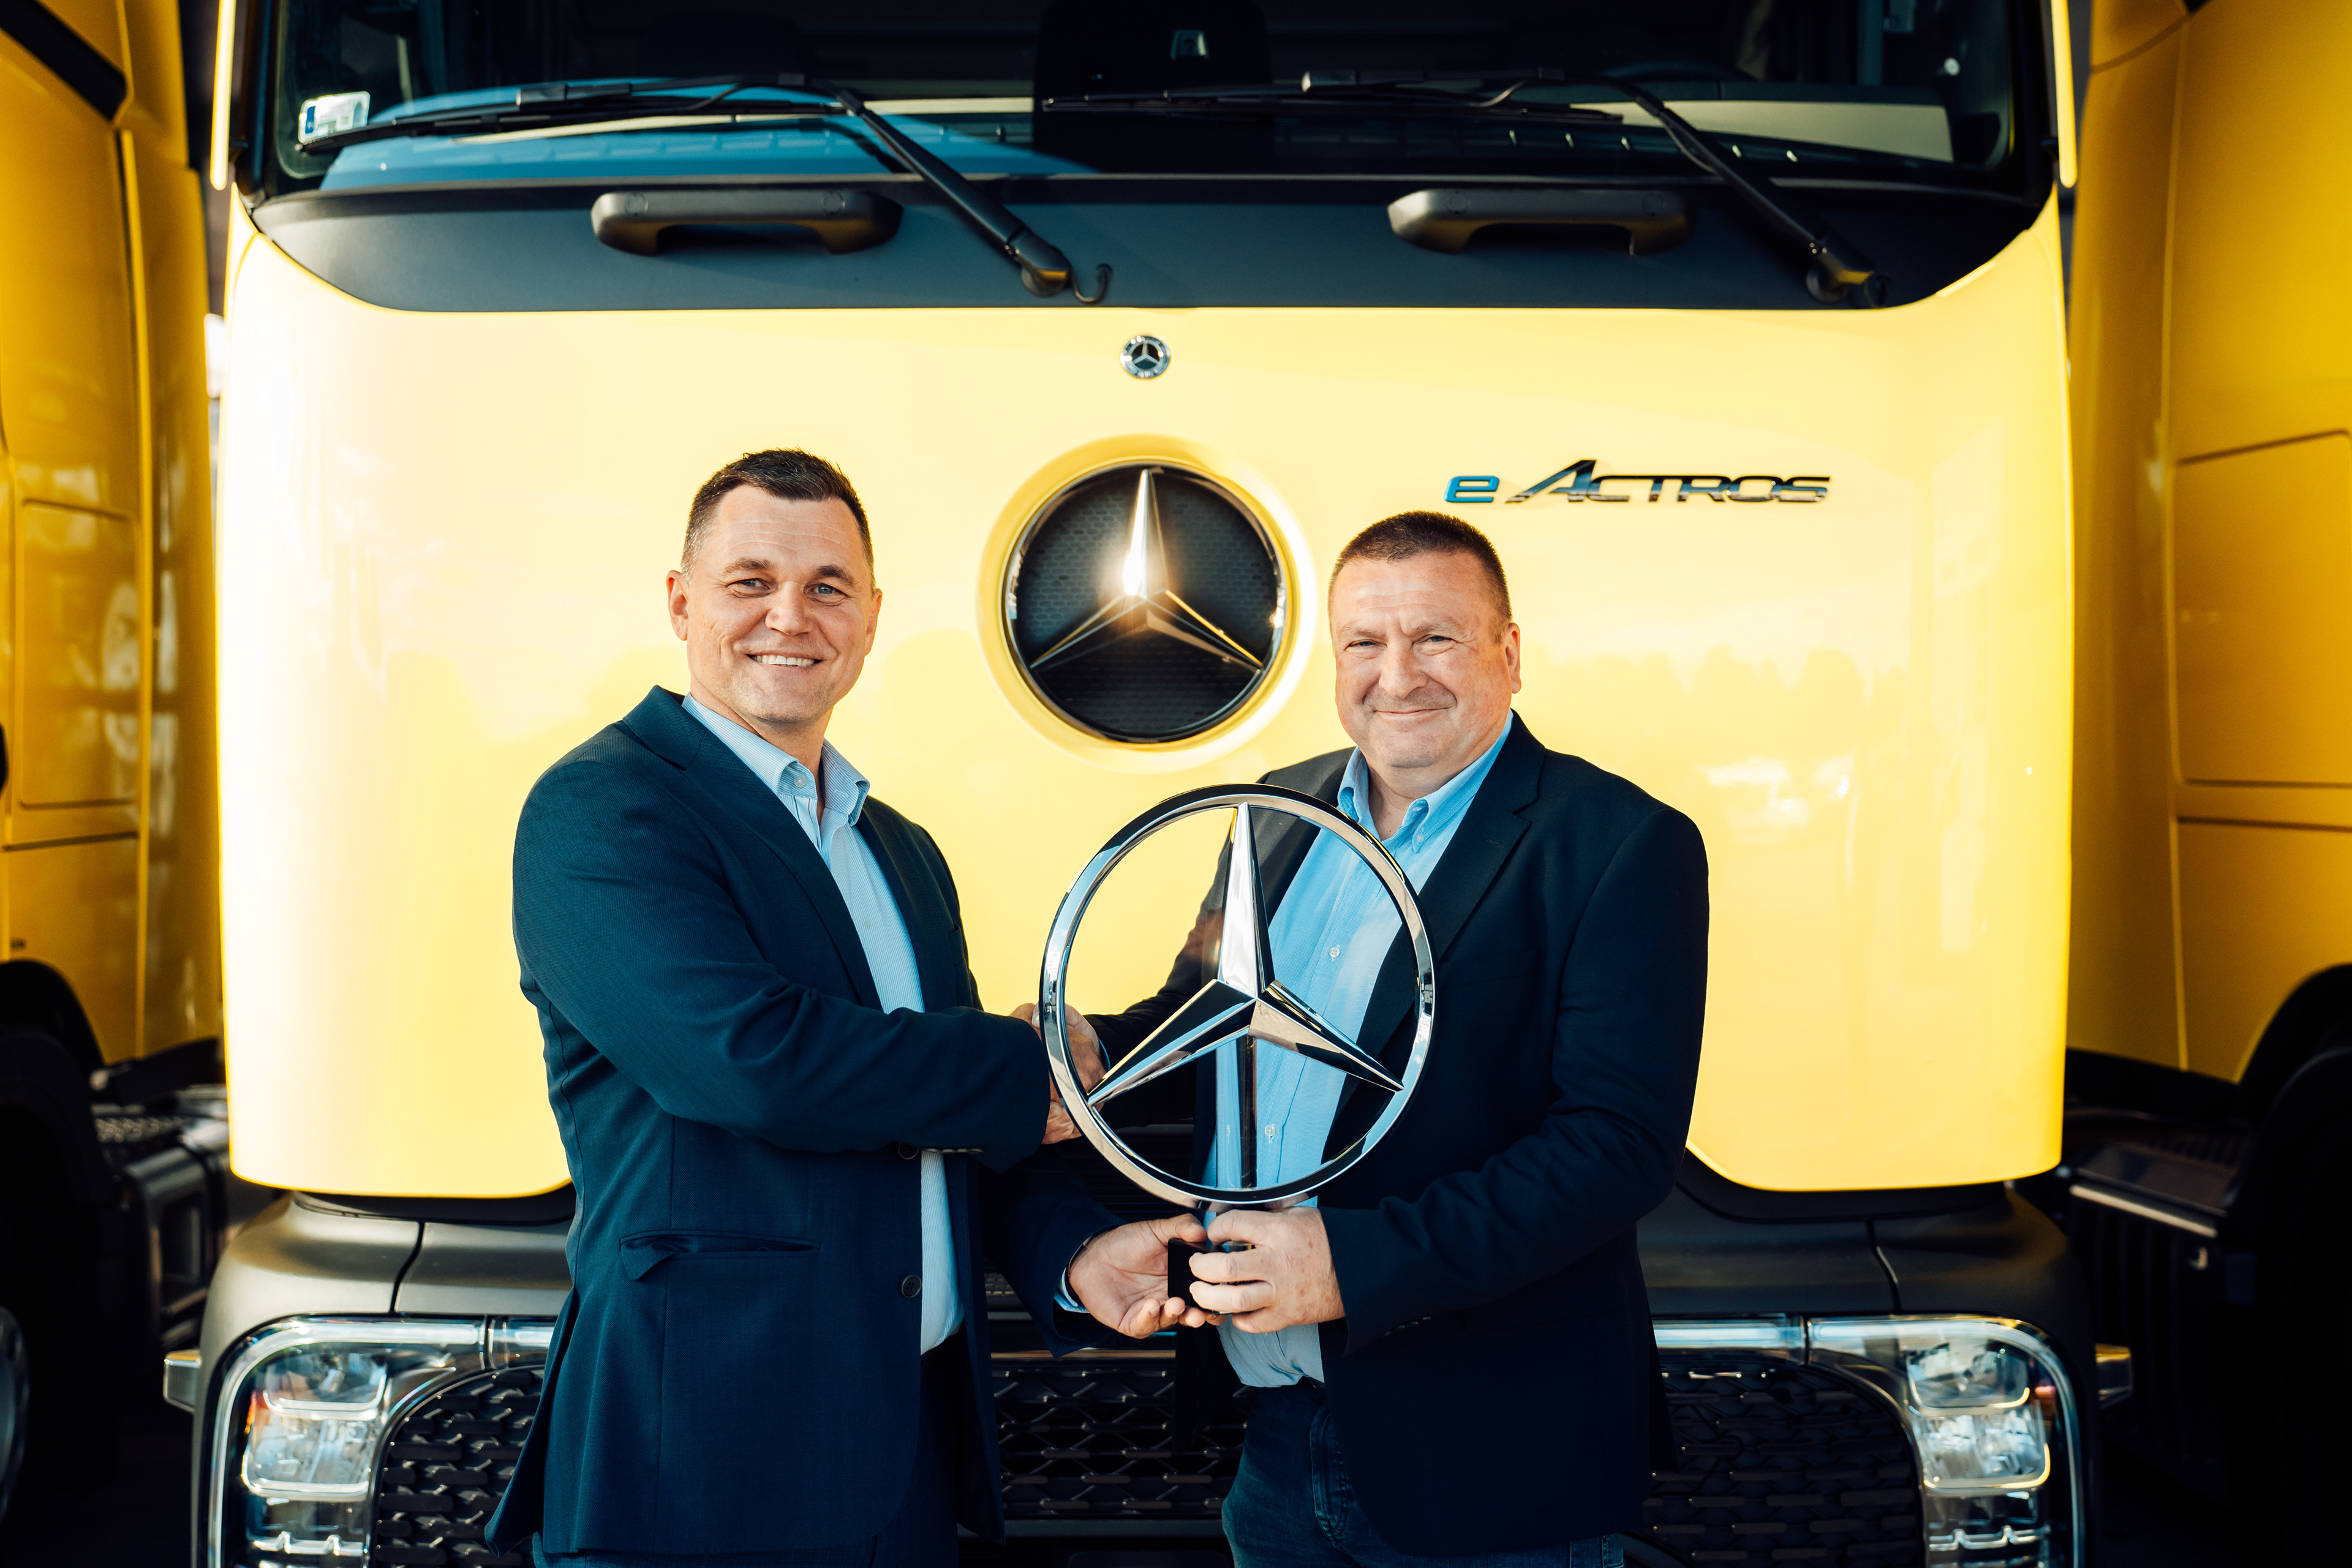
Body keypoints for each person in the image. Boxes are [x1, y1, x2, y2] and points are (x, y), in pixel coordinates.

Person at [486, 450, 1207, 1568]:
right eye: (750, 582)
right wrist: (1030, 1069)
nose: (791, 616)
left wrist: (1073, 1253)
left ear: (870, 619)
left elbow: (940, 1123)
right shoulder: (603, 808)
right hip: (700, 1471)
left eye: (827, 587)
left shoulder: (900, 851)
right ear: (680, 602)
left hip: (902, 1465)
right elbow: (753, 1061)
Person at [1086, 511, 1709, 1566]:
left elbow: (1615, 1148)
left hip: (1493, 1457)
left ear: (1510, 653)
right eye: (1364, 644)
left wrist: (1352, 1264)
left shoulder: (1620, 842)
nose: (1397, 675)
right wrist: (1088, 1047)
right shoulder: (1275, 811)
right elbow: (1204, 1029)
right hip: (1278, 1443)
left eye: (1436, 639)